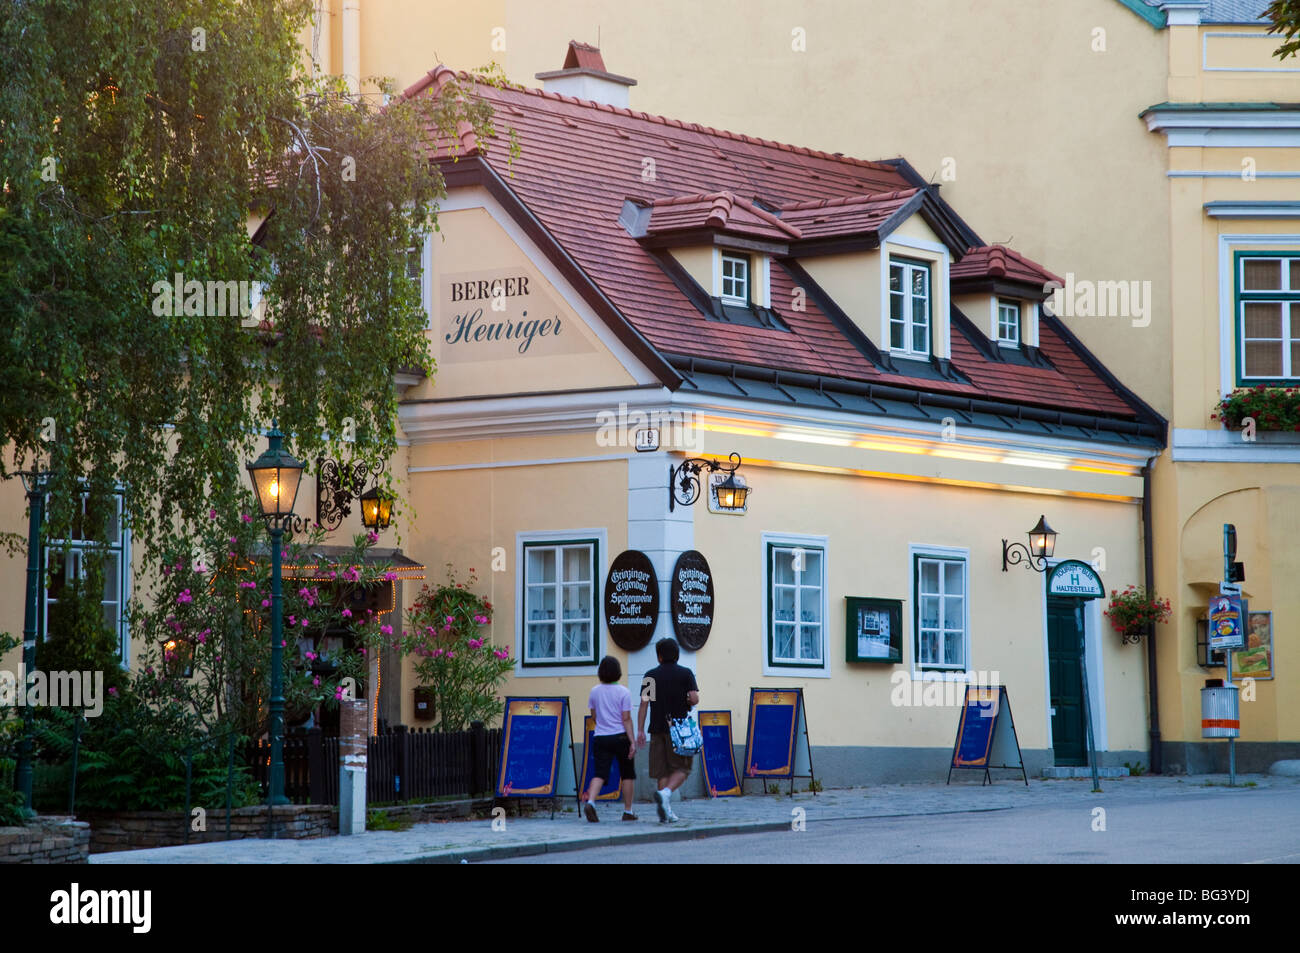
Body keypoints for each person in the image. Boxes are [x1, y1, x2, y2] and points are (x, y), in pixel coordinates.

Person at [637, 637, 699, 823]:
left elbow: (643, 705)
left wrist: (640, 730)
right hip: (678, 730)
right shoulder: (685, 674)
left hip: (657, 729)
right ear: (677, 655)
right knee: (683, 767)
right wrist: (686, 700)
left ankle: (666, 809)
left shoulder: (650, 676)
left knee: (662, 771)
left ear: (659, 656)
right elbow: (694, 699)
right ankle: (665, 795)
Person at [581, 655, 638, 822]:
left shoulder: (594, 691)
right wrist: (632, 741)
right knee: (627, 774)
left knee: (600, 773)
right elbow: (626, 718)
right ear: (618, 672)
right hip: (621, 736)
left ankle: (591, 802)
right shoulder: (624, 692)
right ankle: (628, 811)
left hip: (601, 737)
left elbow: (593, 716)